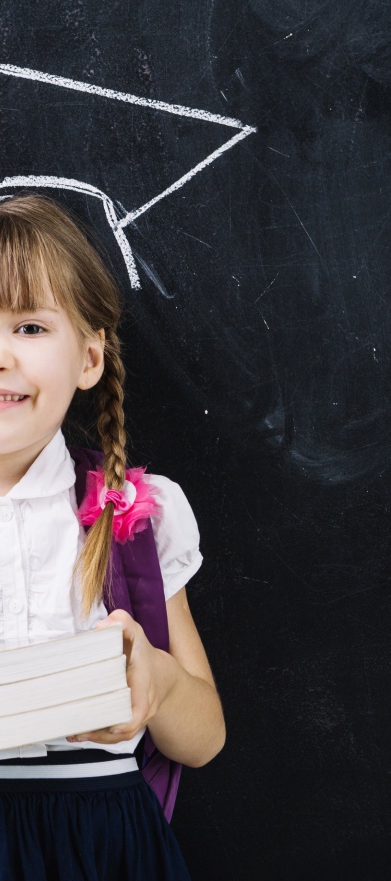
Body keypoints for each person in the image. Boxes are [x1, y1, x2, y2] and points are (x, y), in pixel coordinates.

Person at [0, 194, 225, 880]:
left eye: (29, 326)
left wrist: (155, 680)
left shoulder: (132, 515)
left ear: (90, 357)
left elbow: (204, 739)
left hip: (103, 846)